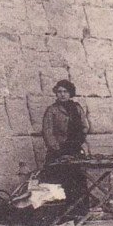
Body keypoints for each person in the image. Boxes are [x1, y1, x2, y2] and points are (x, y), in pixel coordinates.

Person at [40, 79, 90, 208]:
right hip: (58, 151)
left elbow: (85, 126)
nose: (62, 94)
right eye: (59, 92)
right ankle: (61, 213)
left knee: (78, 181)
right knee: (59, 182)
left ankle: (80, 211)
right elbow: (48, 132)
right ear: (56, 94)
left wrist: (79, 140)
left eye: (65, 92)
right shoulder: (52, 110)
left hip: (75, 150)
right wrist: (57, 149)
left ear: (70, 93)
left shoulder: (77, 108)